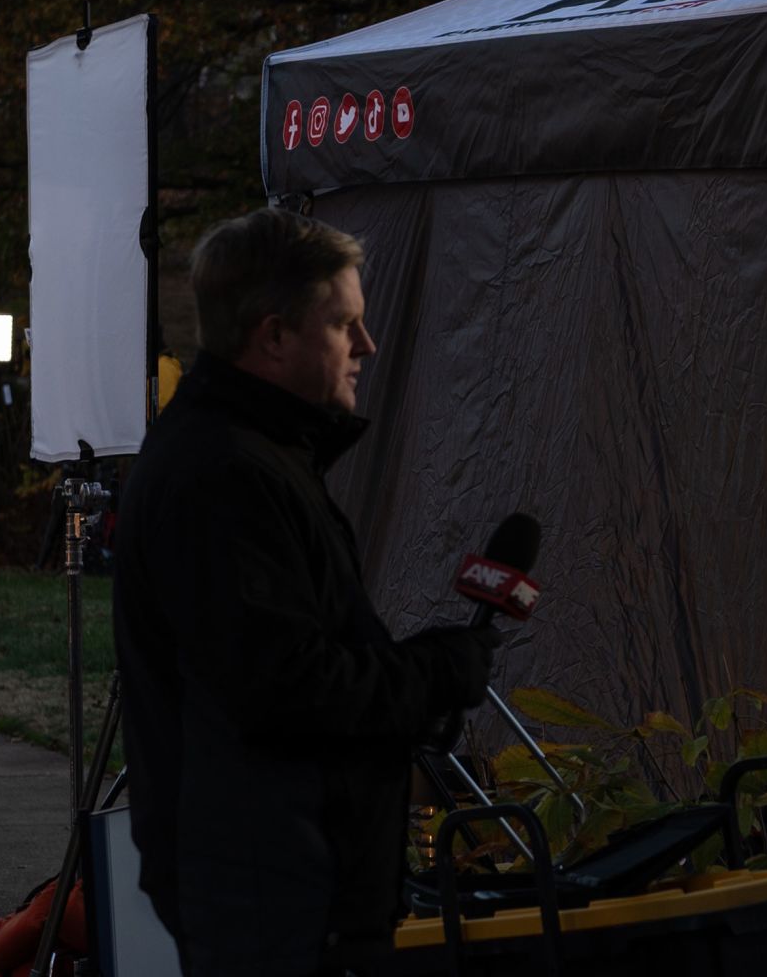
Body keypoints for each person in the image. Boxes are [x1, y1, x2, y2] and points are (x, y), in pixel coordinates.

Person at [113, 207, 501, 976]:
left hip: (287, 881)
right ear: (274, 335)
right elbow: (284, 686)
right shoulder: (222, 475)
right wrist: (436, 671)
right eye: (344, 325)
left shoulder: (253, 455)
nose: (366, 346)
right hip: (270, 893)